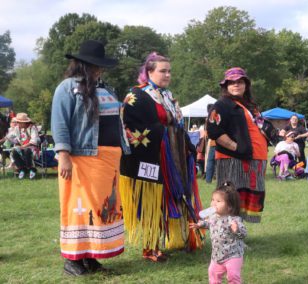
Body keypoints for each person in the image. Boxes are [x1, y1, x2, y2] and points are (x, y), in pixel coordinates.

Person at [51, 40, 130, 276]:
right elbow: (59, 122)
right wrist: (63, 154)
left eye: (100, 66)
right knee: (80, 208)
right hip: (83, 159)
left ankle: (91, 256)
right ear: (83, 65)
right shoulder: (67, 88)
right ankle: (72, 260)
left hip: (108, 160)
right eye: (95, 66)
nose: (99, 70)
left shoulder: (106, 89)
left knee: (100, 208)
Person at [119, 52, 203, 262]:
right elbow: (129, 126)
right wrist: (162, 131)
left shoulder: (167, 95)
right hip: (150, 157)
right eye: (162, 71)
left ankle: (177, 237)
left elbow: (176, 122)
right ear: (149, 72)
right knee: (152, 199)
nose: (167, 75)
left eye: (169, 71)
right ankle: (150, 246)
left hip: (173, 155)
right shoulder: (137, 95)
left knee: (171, 197)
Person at [207, 67, 268, 223]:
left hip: (253, 158)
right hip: (232, 159)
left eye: (240, 82)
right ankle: (226, 234)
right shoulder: (222, 105)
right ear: (226, 86)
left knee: (243, 199)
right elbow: (214, 130)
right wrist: (236, 147)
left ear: (246, 85)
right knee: (230, 198)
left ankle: (237, 232)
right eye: (232, 82)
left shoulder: (250, 105)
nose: (236, 85)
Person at [190, 182, 247, 284]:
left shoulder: (234, 220)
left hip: (233, 255)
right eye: (213, 200)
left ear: (229, 206)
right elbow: (209, 224)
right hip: (217, 256)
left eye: (218, 201)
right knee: (213, 273)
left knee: (233, 276)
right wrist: (201, 224)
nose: (213, 203)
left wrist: (236, 230)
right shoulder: (213, 216)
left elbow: (242, 235)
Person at [6, 113, 40, 179]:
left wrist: (24, 146)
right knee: (14, 151)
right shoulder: (17, 129)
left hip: (33, 149)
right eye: (17, 122)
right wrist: (16, 143)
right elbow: (8, 136)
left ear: (24, 123)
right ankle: (22, 169)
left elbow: (34, 141)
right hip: (22, 148)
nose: (18, 124)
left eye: (19, 122)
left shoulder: (32, 128)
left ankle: (31, 169)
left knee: (27, 150)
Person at [205, 103, 216, 183]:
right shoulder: (215, 117)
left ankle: (208, 180)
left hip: (212, 141)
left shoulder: (208, 118)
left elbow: (207, 132)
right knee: (216, 161)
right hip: (218, 142)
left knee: (210, 161)